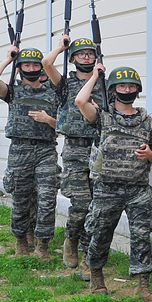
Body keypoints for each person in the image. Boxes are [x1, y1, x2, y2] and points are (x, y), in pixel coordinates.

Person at [75, 64, 152, 302]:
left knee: (142, 236)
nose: (127, 89)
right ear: (113, 89)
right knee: (101, 233)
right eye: (122, 85)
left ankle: (142, 286)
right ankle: (96, 277)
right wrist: (94, 76)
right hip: (107, 188)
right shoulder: (102, 116)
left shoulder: (147, 121)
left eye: (131, 86)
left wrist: (149, 154)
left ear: (137, 89)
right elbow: (81, 101)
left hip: (138, 189)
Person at [0, 46, 60, 258]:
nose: (31, 68)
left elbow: (64, 125)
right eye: (26, 64)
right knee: (20, 197)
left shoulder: (53, 93)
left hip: (46, 150)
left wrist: (49, 120)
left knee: (47, 198)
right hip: (20, 150)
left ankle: (43, 244)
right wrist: (8, 59)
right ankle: (21, 241)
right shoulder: (13, 92)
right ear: (19, 68)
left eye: (35, 64)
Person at [41, 36, 104, 273]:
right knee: (81, 202)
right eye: (81, 53)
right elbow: (47, 63)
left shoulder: (104, 84)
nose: (86, 57)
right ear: (73, 58)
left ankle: (89, 253)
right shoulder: (65, 84)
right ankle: (72, 239)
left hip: (99, 148)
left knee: (97, 203)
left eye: (90, 53)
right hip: (75, 148)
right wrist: (61, 46)